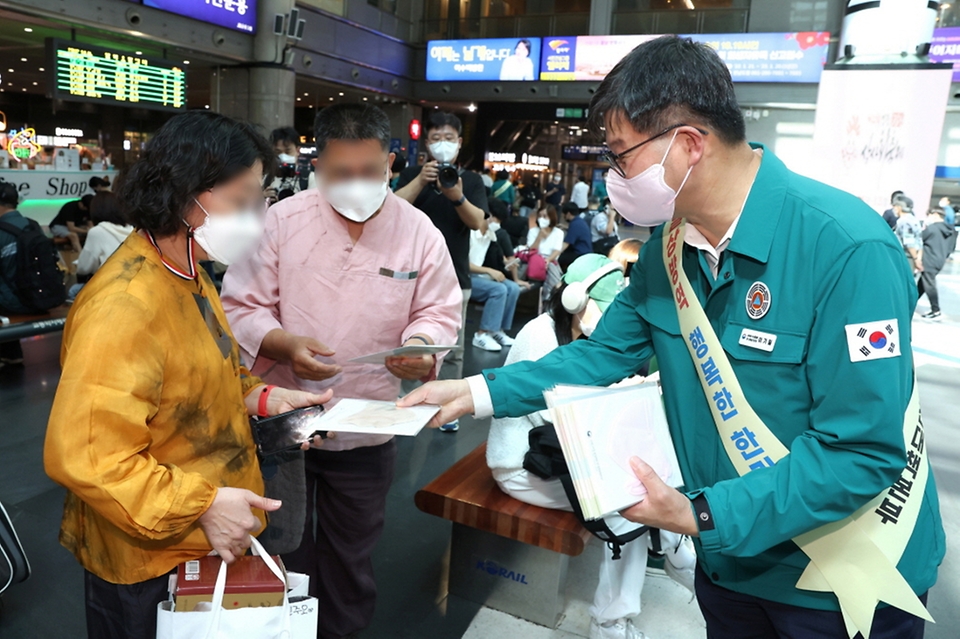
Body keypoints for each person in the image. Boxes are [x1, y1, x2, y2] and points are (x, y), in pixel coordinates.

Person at [401, 35, 944, 639]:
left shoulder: (844, 247)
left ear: (687, 145)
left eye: (620, 156)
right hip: (728, 561)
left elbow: (860, 451)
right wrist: (476, 392)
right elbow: (605, 352)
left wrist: (698, 512)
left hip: (842, 578)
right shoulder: (669, 250)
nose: (613, 177)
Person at [43, 111, 329, 639]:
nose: (256, 217)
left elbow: (215, 373)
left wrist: (266, 399)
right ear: (186, 193)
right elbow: (89, 455)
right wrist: (202, 504)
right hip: (146, 553)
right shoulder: (126, 304)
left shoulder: (190, 275)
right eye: (242, 201)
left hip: (198, 535)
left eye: (258, 200)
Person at [221, 103, 461, 639]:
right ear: (317, 166)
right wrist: (283, 343)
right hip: (284, 422)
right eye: (340, 174)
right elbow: (241, 304)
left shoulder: (417, 231)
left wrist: (420, 347)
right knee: (282, 548)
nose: (356, 185)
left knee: (351, 555)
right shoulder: (281, 221)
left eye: (370, 173)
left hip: (368, 423)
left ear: (392, 163)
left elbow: (438, 311)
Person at [487, 254, 695, 639]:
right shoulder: (539, 335)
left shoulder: (582, 337)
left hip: (560, 460)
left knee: (645, 481)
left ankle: (673, 550)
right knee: (628, 504)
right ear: (573, 300)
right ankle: (612, 618)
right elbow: (546, 425)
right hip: (524, 465)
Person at [395, 111, 487, 426]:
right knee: (408, 344)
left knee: (453, 347)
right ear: (426, 143)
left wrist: (456, 196)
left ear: (459, 143)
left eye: (449, 138)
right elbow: (390, 209)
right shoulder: (411, 175)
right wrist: (421, 179)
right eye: (436, 139)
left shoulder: (471, 180)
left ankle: (446, 407)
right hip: (408, 277)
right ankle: (407, 401)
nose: (443, 144)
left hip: (455, 276)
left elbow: (478, 222)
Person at [468, 219, 521, 353]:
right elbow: (463, 263)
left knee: (513, 288)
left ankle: (496, 330)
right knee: (498, 289)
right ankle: (481, 335)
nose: (496, 222)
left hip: (480, 275)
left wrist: (507, 262)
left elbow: (497, 255)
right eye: (494, 218)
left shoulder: (491, 235)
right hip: (464, 276)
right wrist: (489, 270)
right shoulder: (470, 233)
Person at [0, 182, 30, 367]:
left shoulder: (1, 231)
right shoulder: (31, 225)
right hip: (39, 298)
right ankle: (11, 352)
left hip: (13, 304)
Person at [74, 192, 134, 277]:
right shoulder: (131, 229)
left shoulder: (97, 232)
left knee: (74, 289)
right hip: (133, 281)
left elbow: (83, 268)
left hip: (109, 283)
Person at [918, 207, 957, 319]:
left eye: (929, 215)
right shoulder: (952, 231)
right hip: (939, 261)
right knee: (922, 285)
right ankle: (909, 302)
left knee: (929, 285)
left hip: (929, 259)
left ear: (935, 214)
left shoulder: (932, 229)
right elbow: (951, 248)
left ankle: (936, 310)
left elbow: (919, 239)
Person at [267, 126, 308, 203]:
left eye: (288, 151)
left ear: (298, 151)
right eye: (277, 152)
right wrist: (262, 198)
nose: (283, 156)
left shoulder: (308, 178)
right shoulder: (266, 179)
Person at [559, 201, 593, 271]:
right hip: (585, 251)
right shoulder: (579, 221)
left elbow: (566, 244)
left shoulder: (575, 225)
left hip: (580, 254)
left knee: (559, 259)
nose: (563, 216)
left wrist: (554, 254)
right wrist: (566, 228)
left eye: (564, 214)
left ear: (568, 214)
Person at [894, 196, 923, 274]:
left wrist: (915, 259)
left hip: (907, 256)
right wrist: (918, 258)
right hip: (914, 255)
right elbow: (920, 241)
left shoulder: (904, 221)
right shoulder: (915, 220)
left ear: (899, 207)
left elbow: (909, 243)